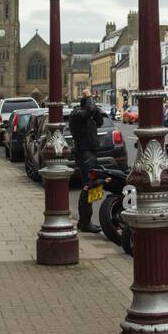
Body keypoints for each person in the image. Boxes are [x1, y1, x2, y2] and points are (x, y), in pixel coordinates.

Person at [68, 93, 104, 233]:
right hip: (84, 153)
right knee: (88, 186)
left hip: (92, 152)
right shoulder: (77, 114)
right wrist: (90, 97)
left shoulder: (88, 115)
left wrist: (96, 110)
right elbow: (89, 110)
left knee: (94, 185)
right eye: (91, 104)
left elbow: (99, 121)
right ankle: (84, 222)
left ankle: (86, 221)